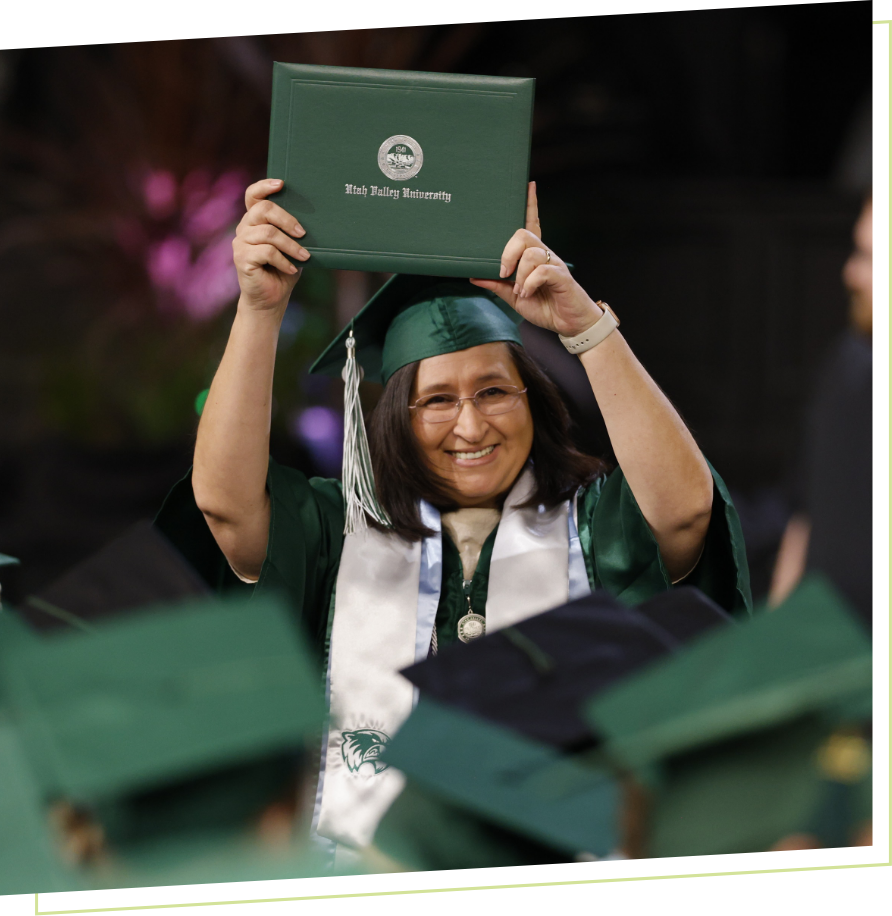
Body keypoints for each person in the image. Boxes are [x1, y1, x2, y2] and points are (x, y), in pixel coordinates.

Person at [155, 177, 751, 853]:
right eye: (437, 401)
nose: (471, 425)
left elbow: (683, 511)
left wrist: (587, 327)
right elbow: (224, 507)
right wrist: (260, 309)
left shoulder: (594, 525)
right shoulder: (339, 528)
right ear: (395, 424)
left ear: (534, 400)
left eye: (494, 390)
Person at [768, 196, 872, 625]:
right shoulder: (850, 364)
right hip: (822, 650)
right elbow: (805, 515)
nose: (851, 272)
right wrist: (776, 638)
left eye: (869, 257)